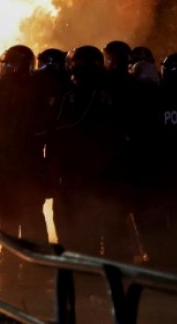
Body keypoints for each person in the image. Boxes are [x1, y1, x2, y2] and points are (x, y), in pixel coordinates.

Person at [50, 46, 128, 259]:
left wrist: (55, 170)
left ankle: (85, 264)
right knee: (111, 223)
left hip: (78, 174)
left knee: (80, 226)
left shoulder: (70, 96)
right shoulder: (117, 91)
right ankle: (117, 266)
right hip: (110, 171)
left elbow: (58, 134)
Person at [133, 54, 177, 267]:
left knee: (153, 216)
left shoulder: (154, 98)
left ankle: (157, 257)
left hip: (157, 171)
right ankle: (174, 257)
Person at [0, 45, 49, 250]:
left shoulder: (27, 90)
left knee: (25, 212)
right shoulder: (33, 87)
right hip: (17, 162)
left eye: (9, 64)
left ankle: (31, 257)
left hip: (20, 162)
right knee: (13, 212)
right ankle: (15, 255)